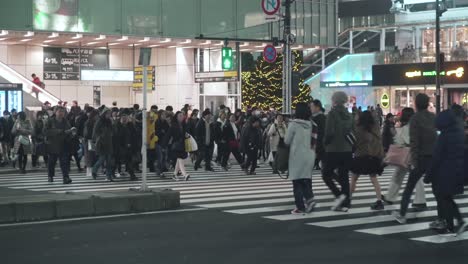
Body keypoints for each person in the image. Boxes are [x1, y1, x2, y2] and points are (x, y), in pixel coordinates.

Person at [393, 93, 438, 223]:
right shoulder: (432, 117)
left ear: (416, 103)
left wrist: (413, 159)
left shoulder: (415, 119)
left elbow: (414, 141)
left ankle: (402, 214)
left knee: (409, 187)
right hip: (433, 157)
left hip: (421, 158)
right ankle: (443, 218)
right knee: (437, 189)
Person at [425, 109, 466, 235]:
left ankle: (455, 221)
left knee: (443, 197)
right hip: (457, 171)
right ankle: (450, 224)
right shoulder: (459, 133)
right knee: (447, 197)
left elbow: (436, 157)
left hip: (444, 172)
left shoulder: (443, 136)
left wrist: (428, 175)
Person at [383, 108, 427, 209]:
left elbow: (399, 141)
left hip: (406, 155)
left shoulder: (405, 128)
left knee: (400, 176)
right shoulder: (416, 126)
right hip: (414, 155)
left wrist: (396, 135)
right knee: (411, 177)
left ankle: (391, 197)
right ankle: (420, 200)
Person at [322, 91, 354, 212]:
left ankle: (339, 195)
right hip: (347, 150)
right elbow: (353, 132)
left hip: (333, 149)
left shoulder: (332, 114)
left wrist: (325, 143)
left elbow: (329, 132)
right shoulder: (349, 115)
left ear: (334, 100)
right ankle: (346, 203)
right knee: (344, 176)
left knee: (326, 174)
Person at [285, 103, 317, 215]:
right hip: (310, 155)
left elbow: (287, 141)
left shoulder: (293, 124)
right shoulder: (313, 124)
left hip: (297, 155)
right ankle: (310, 199)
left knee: (296, 182)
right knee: (305, 179)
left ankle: (300, 207)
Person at [350, 111, 385, 210]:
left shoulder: (358, 129)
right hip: (372, 157)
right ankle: (379, 201)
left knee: (353, 179)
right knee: (374, 179)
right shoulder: (375, 129)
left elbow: (354, 142)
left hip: (360, 156)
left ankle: (348, 199)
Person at [44, 107, 73, 184]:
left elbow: (68, 131)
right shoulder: (50, 121)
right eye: (59, 111)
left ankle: (65, 177)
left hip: (63, 144)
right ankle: (50, 176)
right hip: (53, 145)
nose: (61, 113)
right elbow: (45, 131)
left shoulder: (65, 121)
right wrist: (59, 131)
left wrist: (71, 133)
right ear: (55, 112)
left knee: (64, 162)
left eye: (63, 112)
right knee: (52, 162)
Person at [163, 111, 190, 181]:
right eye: (180, 116)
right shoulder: (173, 125)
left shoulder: (184, 125)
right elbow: (168, 136)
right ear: (176, 117)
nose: (182, 117)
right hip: (176, 146)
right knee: (180, 159)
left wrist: (187, 136)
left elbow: (187, 134)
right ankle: (185, 174)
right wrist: (164, 145)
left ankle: (174, 174)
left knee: (179, 160)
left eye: (182, 116)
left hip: (183, 145)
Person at [114, 110, 138, 181]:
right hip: (120, 147)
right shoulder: (117, 125)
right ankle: (111, 173)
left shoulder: (130, 125)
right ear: (120, 118)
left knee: (128, 161)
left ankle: (132, 175)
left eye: (126, 117)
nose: (125, 119)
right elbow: (116, 136)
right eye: (123, 117)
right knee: (117, 161)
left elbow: (134, 135)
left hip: (128, 147)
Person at [92, 107, 114, 182]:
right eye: (107, 114)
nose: (109, 115)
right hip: (101, 143)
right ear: (104, 113)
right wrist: (98, 138)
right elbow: (95, 131)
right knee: (101, 159)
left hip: (109, 142)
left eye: (110, 114)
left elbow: (112, 130)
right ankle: (94, 171)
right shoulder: (100, 121)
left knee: (109, 161)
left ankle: (109, 176)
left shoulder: (109, 121)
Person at [310, 100, 326, 170]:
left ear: (317, 107)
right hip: (320, 145)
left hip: (319, 144)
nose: (311, 108)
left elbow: (320, 133)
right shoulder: (320, 117)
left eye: (312, 106)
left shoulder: (319, 118)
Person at [83, 109, 99, 178]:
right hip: (90, 141)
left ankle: (92, 172)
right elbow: (87, 133)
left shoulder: (94, 122)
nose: (98, 116)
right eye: (97, 115)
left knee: (93, 156)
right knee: (89, 156)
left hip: (92, 140)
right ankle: (89, 172)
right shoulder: (89, 122)